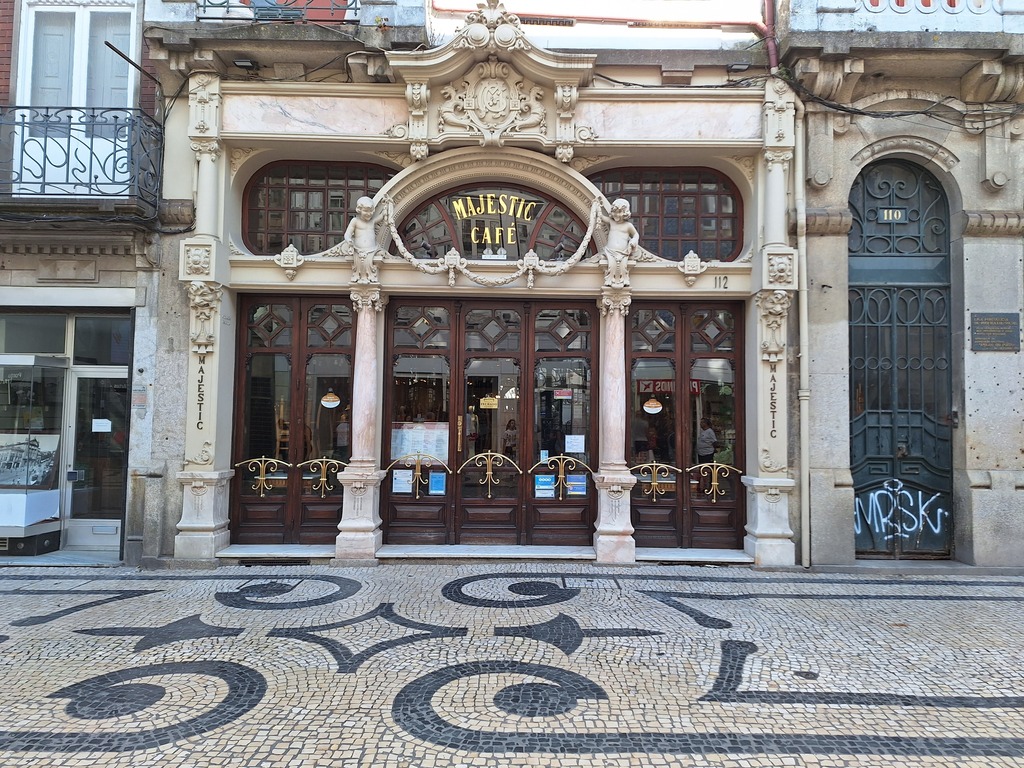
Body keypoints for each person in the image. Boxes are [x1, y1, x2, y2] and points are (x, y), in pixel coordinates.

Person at [342, 196, 386, 283]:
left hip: (373, 251)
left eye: (370, 211)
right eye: (365, 211)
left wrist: (387, 206)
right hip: (358, 251)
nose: (368, 214)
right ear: (359, 210)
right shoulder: (355, 221)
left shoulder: (372, 221)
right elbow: (347, 233)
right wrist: (349, 240)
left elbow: (382, 216)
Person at [600, 198, 640, 288]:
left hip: (623, 253)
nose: (616, 215)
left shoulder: (628, 226)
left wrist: (633, 241)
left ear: (625, 213)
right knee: (611, 266)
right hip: (610, 251)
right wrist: (597, 207)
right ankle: (610, 279)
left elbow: (636, 235)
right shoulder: (611, 222)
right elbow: (601, 217)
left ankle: (622, 279)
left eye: (619, 212)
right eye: (614, 212)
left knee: (622, 267)